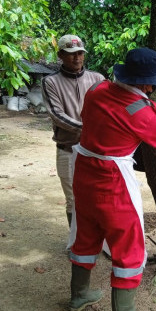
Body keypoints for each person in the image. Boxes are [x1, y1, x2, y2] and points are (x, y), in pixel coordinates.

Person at [68, 47, 156, 311]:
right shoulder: (143, 112)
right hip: (113, 184)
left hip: (84, 175)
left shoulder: (96, 90)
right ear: (148, 83)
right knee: (129, 246)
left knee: (86, 235)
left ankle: (79, 295)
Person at [41, 34, 105, 228]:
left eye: (80, 53)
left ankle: (100, 242)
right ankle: (76, 243)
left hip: (97, 151)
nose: (76, 58)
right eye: (70, 54)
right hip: (68, 149)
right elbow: (57, 115)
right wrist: (89, 129)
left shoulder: (98, 79)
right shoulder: (50, 82)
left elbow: (109, 110)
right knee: (74, 200)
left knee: (99, 198)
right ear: (60, 55)